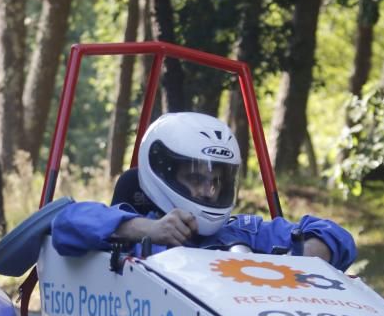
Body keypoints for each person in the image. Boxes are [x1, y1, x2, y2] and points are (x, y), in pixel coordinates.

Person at [51, 112, 357, 271]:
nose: (209, 192)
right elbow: (66, 223)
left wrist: (302, 256)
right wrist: (148, 230)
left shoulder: (241, 232)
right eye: (197, 179)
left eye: (216, 182)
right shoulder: (133, 228)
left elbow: (336, 235)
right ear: (163, 173)